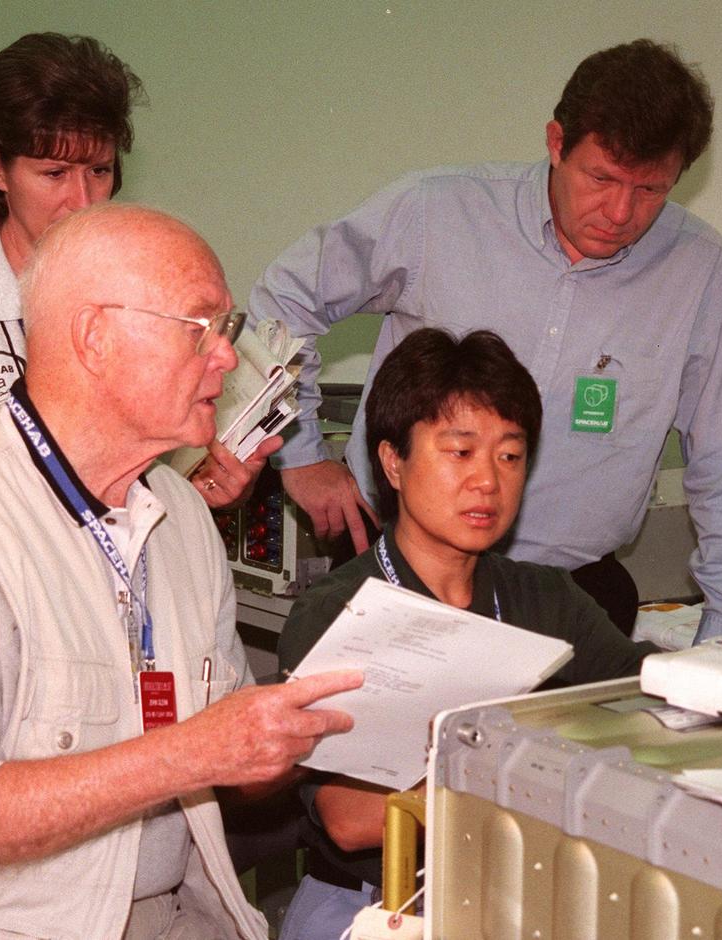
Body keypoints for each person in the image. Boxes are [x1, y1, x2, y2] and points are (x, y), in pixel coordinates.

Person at [0, 203, 364, 939]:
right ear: (95, 337)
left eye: (227, 330)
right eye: (202, 328)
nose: (227, 358)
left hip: (173, 911)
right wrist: (193, 751)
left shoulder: (181, 517)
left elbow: (235, 769)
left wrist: (304, 729)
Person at [250, 38, 722, 642]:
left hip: (573, 599)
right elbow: (283, 300)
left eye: (650, 190)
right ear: (556, 144)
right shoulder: (438, 212)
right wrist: (299, 453)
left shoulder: (699, 271)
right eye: (601, 178)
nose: (620, 211)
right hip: (402, 580)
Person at [276, 328, 655, 940]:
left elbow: (650, 699)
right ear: (393, 461)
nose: (489, 481)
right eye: (460, 452)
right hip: (375, 906)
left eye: (510, 455)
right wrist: (537, 768)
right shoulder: (340, 609)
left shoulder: (544, 595)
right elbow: (349, 817)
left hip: (511, 889)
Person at [0, 33, 273, 506]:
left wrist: (193, 498)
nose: (83, 201)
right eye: (54, 174)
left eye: (99, 170)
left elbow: (146, 480)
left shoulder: (145, 300)